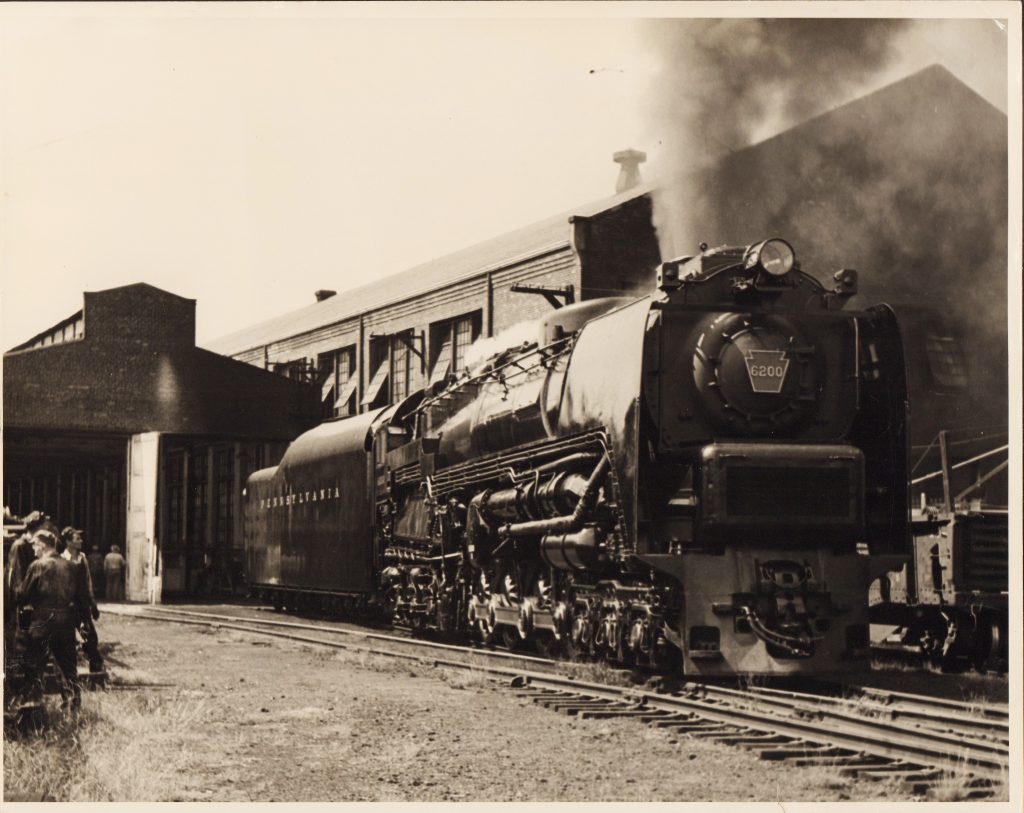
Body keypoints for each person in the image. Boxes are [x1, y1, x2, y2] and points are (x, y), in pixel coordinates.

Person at [16, 527, 90, 712]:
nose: (34, 550)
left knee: (35, 667)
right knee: (68, 667)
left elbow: (23, 595)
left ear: (42, 545)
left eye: (35, 546)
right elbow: (82, 598)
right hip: (65, 622)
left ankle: (34, 709)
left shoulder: (37, 566)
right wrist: (82, 623)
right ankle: (74, 705)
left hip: (41, 622)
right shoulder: (72, 566)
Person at [62, 530, 104, 674]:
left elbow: (88, 582)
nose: (81, 541)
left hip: (82, 604)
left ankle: (96, 672)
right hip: (67, 605)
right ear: (68, 542)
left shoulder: (83, 558)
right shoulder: (61, 559)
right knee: (66, 640)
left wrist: (93, 605)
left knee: (90, 637)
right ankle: (68, 674)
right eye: (77, 538)